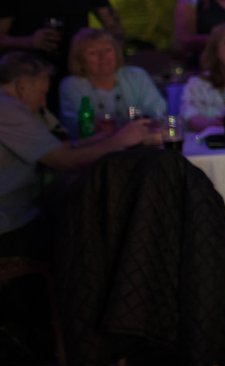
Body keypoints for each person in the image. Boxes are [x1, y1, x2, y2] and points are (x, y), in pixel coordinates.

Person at [0, 52, 158, 261]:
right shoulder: (7, 109)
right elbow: (63, 161)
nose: (43, 103)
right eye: (41, 93)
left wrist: (103, 138)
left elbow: (59, 146)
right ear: (22, 86)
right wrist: (119, 141)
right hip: (11, 225)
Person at [58, 28, 166, 127]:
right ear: (80, 60)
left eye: (108, 50)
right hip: (96, 147)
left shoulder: (136, 75)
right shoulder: (72, 86)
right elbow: (76, 126)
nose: (103, 57)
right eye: (93, 53)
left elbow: (159, 111)